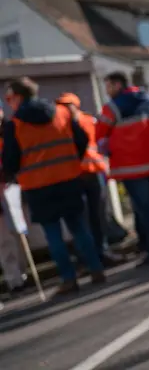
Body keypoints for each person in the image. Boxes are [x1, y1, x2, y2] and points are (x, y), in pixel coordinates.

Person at [2, 77, 106, 294]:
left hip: (38, 186)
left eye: (10, 98)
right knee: (79, 227)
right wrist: (71, 160)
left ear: (18, 97)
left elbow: (11, 160)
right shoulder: (62, 113)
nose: (9, 102)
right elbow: (82, 139)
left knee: (53, 234)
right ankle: (96, 268)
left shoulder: (15, 125)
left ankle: (69, 279)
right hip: (68, 178)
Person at [96, 71, 149, 267]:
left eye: (109, 86)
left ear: (118, 85)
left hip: (131, 167)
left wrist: (110, 150)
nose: (107, 91)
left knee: (145, 209)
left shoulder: (112, 108)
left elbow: (100, 137)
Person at [55, 93, 121, 267]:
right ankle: (88, 256)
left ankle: (101, 251)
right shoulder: (59, 126)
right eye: (62, 105)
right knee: (81, 219)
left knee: (97, 216)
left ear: (76, 105)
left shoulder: (89, 121)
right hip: (75, 176)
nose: (65, 108)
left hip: (93, 173)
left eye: (68, 105)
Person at [0, 108, 28, 296]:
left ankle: (23, 273)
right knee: (4, 240)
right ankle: (14, 279)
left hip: (12, 187)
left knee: (20, 232)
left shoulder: (11, 129)